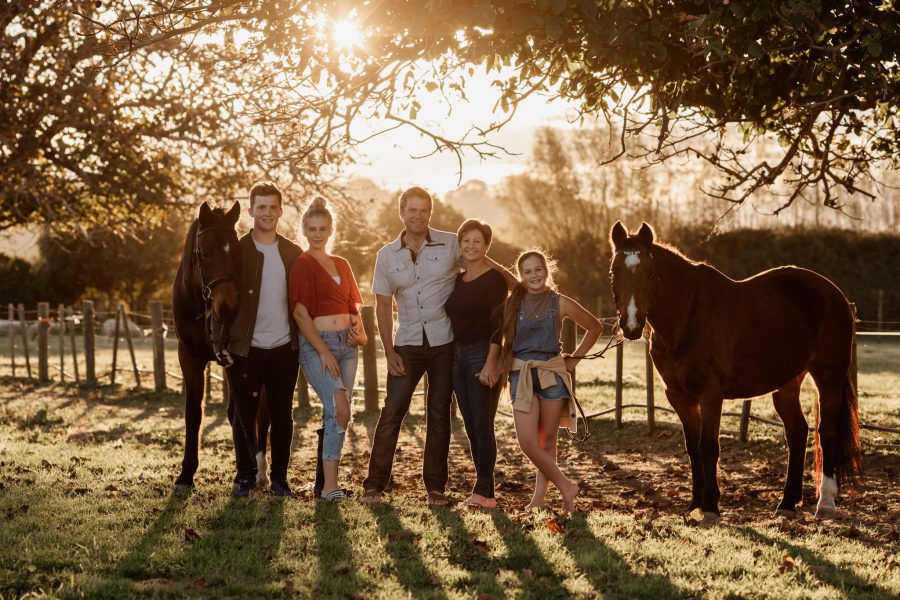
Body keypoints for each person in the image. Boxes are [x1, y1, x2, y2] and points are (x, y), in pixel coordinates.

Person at [361, 187, 513, 506]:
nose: (418, 215)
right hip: (407, 345)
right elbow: (382, 305)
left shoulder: (449, 245)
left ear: (430, 213)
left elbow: (480, 261)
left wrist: (523, 285)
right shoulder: (386, 256)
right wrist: (388, 351)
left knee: (439, 413)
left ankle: (435, 488)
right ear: (401, 212)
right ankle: (374, 485)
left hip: (445, 344)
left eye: (424, 210)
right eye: (412, 210)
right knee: (392, 411)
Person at [499, 250, 602, 512]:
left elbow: (594, 327)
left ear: (547, 271)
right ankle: (566, 486)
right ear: (521, 276)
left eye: (538, 270)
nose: (534, 276)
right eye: (527, 271)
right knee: (527, 441)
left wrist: (575, 359)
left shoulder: (560, 303)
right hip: (520, 373)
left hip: (551, 374)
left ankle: (540, 500)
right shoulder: (513, 303)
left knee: (547, 441)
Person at [220, 181, 302, 498]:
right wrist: (220, 344)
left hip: (284, 347)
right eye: (261, 207)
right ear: (251, 211)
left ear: (280, 211)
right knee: (244, 413)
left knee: (282, 413)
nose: (267, 213)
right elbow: (219, 301)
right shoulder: (237, 251)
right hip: (246, 347)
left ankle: (280, 479)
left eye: (272, 207)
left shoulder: (292, 252)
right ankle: (245, 477)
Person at [289, 197, 367, 503]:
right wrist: (322, 350)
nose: (317, 234)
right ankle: (329, 486)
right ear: (304, 231)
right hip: (317, 345)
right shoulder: (302, 264)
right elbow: (299, 313)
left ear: (331, 230)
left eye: (323, 228)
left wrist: (357, 336)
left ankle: (328, 487)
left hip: (347, 346)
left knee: (340, 416)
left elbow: (354, 308)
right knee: (339, 407)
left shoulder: (343, 264)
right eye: (312, 229)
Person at [444, 219, 507, 509]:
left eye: (477, 242)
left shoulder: (494, 279)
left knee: (483, 425)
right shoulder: (457, 278)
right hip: (457, 355)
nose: (471, 246)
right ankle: (485, 492)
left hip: (482, 353)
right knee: (471, 425)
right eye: (466, 241)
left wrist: (492, 363)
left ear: (486, 247)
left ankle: (484, 492)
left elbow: (500, 324)